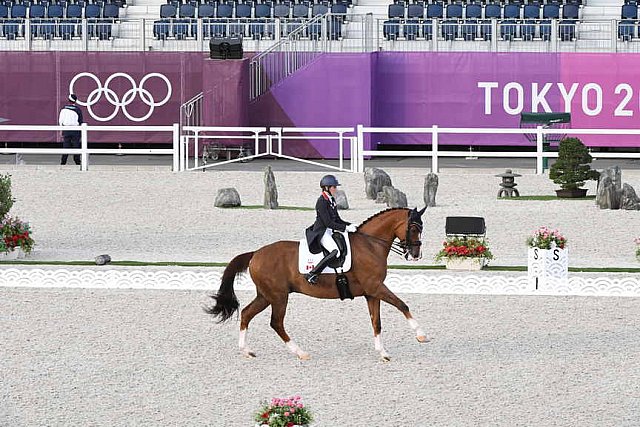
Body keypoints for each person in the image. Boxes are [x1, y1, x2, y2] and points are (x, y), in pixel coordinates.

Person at [304, 174, 357, 284]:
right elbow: (328, 222)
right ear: (326, 188)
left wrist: (351, 225)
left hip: (329, 230)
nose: (336, 189)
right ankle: (313, 273)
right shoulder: (322, 201)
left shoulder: (331, 200)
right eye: (334, 187)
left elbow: (337, 219)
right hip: (321, 231)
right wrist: (345, 228)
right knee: (335, 251)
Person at [58, 94, 83, 166]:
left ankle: (63, 162)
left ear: (68, 100)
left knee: (65, 146)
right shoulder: (78, 110)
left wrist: (61, 131)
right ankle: (77, 162)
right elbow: (80, 121)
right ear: (75, 101)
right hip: (75, 130)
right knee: (76, 146)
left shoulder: (63, 110)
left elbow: (60, 121)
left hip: (66, 129)